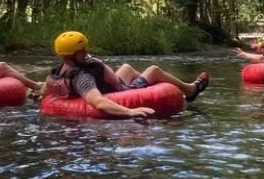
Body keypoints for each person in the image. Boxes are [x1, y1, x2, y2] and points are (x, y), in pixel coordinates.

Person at [41, 31, 209, 118]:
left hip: (111, 83)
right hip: (119, 91)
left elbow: (45, 88)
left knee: (127, 67)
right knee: (154, 70)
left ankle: (144, 83)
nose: (86, 52)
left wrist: (36, 92)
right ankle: (190, 90)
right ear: (71, 56)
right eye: (81, 51)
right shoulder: (83, 78)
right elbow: (98, 102)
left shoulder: (62, 68)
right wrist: (129, 112)